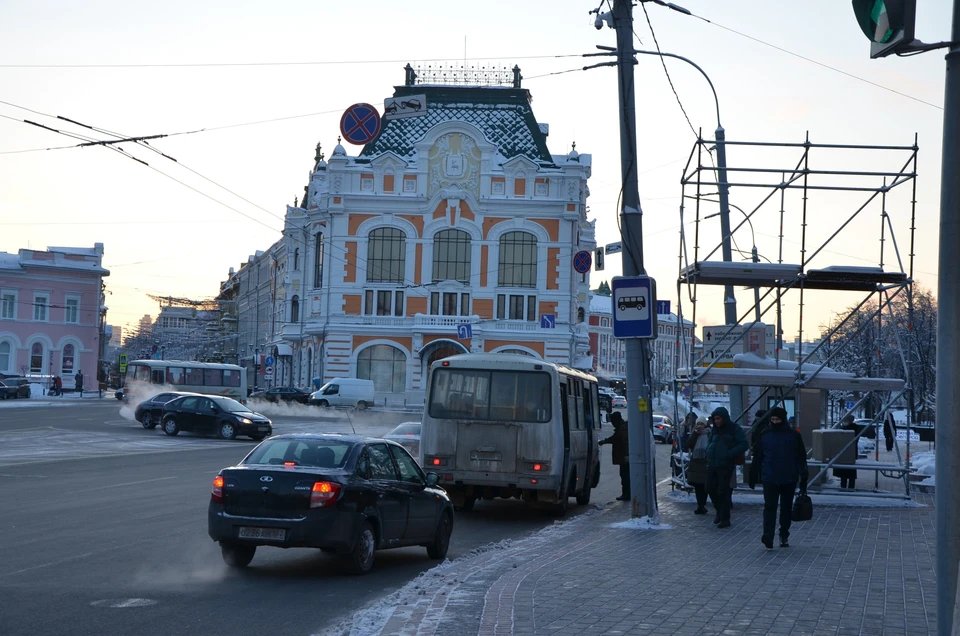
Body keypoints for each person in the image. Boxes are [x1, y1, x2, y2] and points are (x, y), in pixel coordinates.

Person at [749, 406, 808, 549]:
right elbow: (758, 456)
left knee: (786, 508)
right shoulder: (765, 434)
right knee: (770, 507)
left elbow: (801, 457)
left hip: (789, 477)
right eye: (773, 419)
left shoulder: (793, 435)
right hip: (770, 477)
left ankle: (783, 534)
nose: (775, 422)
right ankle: (768, 535)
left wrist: (803, 477)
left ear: (783, 419)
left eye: (777, 419)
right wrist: (753, 474)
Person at [705, 406, 748, 529]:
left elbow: (744, 444)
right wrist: (708, 450)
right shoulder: (715, 429)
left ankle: (725, 518)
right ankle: (719, 511)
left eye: (718, 419)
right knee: (709, 488)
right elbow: (711, 441)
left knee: (723, 491)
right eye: (715, 419)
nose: (716, 421)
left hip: (725, 464)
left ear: (724, 418)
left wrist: (729, 454)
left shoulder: (734, 428)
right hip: (712, 463)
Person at [599, 411, 630, 501]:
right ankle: (627, 493)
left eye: (613, 421)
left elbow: (615, 438)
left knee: (625, 476)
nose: (612, 424)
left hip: (625, 457)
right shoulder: (623, 427)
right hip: (625, 456)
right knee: (625, 475)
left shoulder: (622, 429)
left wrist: (603, 441)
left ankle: (626, 494)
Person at [684, 416, 710, 514]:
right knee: (698, 487)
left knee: (705, 486)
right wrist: (695, 434)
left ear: (705, 424)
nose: (700, 426)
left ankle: (703, 504)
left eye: (702, 424)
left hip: (706, 462)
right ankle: (700, 506)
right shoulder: (695, 434)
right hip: (696, 464)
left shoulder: (709, 433)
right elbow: (688, 445)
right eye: (698, 424)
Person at [835, 414, 858, 489]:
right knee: (843, 473)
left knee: (850, 472)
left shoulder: (854, 429)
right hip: (844, 453)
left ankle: (850, 487)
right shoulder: (843, 428)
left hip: (851, 453)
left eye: (846, 420)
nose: (844, 422)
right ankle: (843, 486)